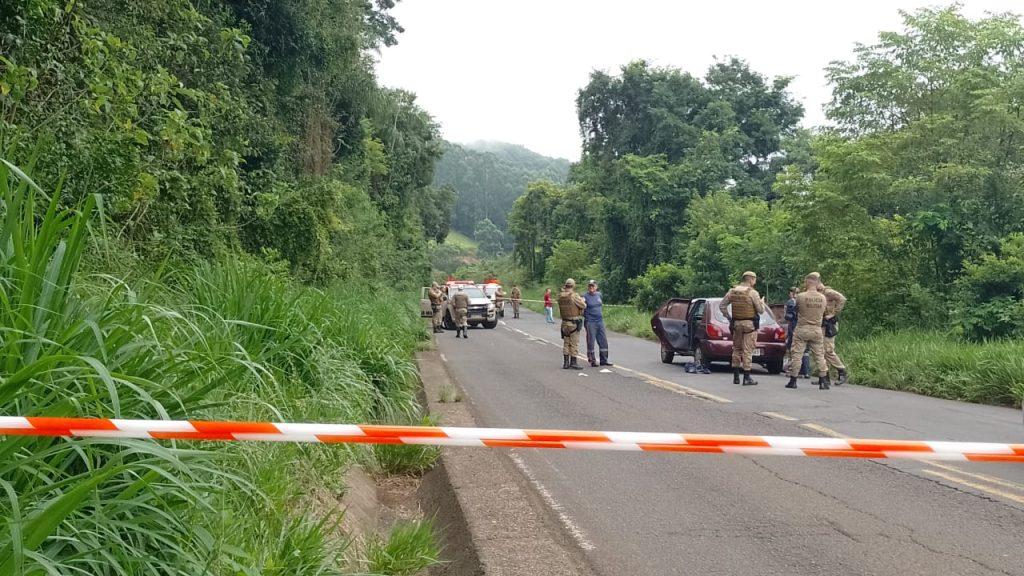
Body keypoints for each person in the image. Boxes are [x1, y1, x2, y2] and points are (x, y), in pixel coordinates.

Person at [719, 271, 766, 386]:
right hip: (749, 324)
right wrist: (762, 303)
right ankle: (747, 377)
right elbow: (760, 310)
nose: (755, 281)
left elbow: (722, 306)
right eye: (755, 279)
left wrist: (729, 317)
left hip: (736, 324)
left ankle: (736, 377)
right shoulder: (753, 293)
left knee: (736, 349)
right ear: (751, 279)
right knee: (747, 350)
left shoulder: (732, 291)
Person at [785, 273, 830, 390]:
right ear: (817, 283)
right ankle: (823, 381)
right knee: (819, 355)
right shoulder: (823, 298)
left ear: (807, 282)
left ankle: (793, 380)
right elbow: (825, 312)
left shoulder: (800, 296)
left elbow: (795, 311)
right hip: (817, 329)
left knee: (797, 355)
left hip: (802, 329)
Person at [817, 276, 848, 385]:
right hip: (823, 324)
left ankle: (842, 371)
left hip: (830, 324)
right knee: (822, 350)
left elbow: (842, 299)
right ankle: (825, 376)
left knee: (828, 350)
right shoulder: (817, 293)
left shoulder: (828, 292)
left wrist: (834, 313)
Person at [557, 278, 586, 369]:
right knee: (574, 343)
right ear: (573, 286)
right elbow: (583, 305)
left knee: (566, 343)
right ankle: (573, 362)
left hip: (564, 323)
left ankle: (566, 363)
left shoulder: (560, 296)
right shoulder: (574, 296)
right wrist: (583, 300)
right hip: (573, 323)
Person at [583, 280, 612, 367]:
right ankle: (592, 360)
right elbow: (580, 306)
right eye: (590, 286)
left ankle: (604, 360)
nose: (591, 287)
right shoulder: (585, 296)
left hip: (600, 321)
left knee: (603, 341)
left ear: (596, 286)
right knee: (591, 341)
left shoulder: (599, 295)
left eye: (593, 286)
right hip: (590, 321)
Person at [783, 286, 810, 378]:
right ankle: (805, 371)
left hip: (794, 326)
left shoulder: (790, 302)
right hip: (806, 326)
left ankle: (794, 370)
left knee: (794, 349)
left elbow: (788, 317)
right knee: (805, 349)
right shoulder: (805, 301)